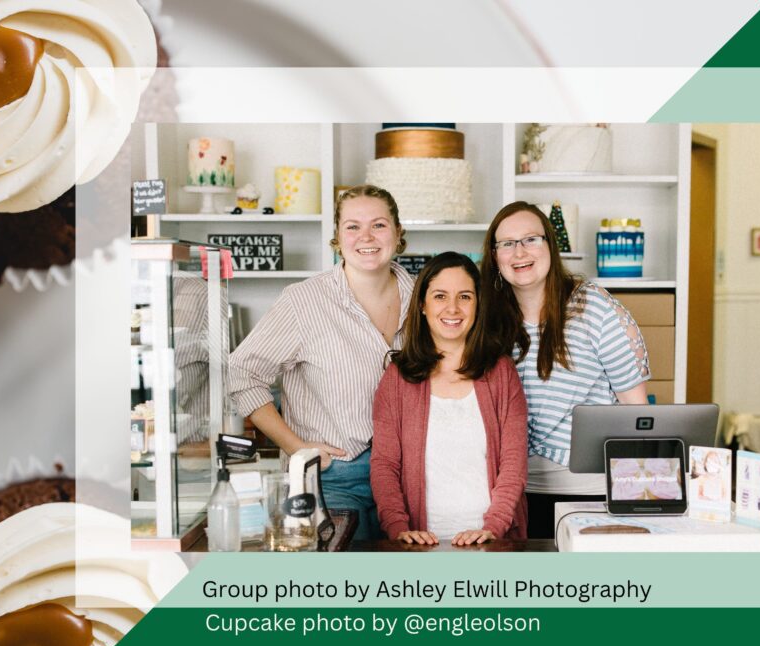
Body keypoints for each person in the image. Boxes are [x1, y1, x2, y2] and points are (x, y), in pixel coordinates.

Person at [229, 185, 415, 540]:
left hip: (411, 477)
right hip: (334, 477)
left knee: (408, 589)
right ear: (337, 237)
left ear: (398, 232)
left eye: (378, 225)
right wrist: (295, 446)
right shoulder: (304, 301)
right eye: (352, 226)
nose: (366, 237)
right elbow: (242, 373)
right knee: (343, 589)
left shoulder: (422, 297)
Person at [479, 202, 650, 539]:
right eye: (507, 244)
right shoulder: (485, 318)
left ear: (551, 246)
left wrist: (641, 499)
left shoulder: (594, 307)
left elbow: (637, 411)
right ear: (495, 257)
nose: (519, 252)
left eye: (531, 239)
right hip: (509, 495)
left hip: (589, 492)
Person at [371, 252, 528, 545]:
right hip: (420, 544)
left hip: (492, 540)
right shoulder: (397, 378)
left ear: (478, 304)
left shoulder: (501, 372)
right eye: (440, 296)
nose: (453, 308)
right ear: (422, 305)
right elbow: (384, 465)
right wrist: (397, 528)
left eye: (465, 297)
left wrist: (493, 528)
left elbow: (513, 462)